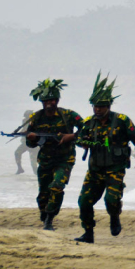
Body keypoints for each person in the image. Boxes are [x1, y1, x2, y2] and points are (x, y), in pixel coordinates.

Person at [73, 73, 135, 243]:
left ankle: (114, 216)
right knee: (84, 201)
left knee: (111, 200)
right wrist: (83, 143)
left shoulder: (121, 121)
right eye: (95, 106)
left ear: (108, 106)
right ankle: (88, 233)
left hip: (115, 169)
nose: (97, 109)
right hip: (95, 170)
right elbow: (78, 138)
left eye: (101, 106)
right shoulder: (89, 122)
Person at [25, 79, 84, 230]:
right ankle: (44, 213)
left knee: (57, 186)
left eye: (52, 100)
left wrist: (72, 136)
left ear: (57, 100)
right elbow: (30, 144)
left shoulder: (68, 115)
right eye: (46, 101)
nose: (49, 103)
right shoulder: (36, 118)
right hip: (45, 160)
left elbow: (87, 128)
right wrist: (32, 139)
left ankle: (49, 220)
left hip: (65, 159)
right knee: (43, 193)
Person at [14, 110, 38, 175]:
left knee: (33, 162)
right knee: (17, 153)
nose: (26, 118)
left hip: (33, 145)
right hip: (25, 143)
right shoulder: (24, 121)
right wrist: (17, 134)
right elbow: (24, 129)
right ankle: (20, 168)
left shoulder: (36, 122)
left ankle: (37, 175)